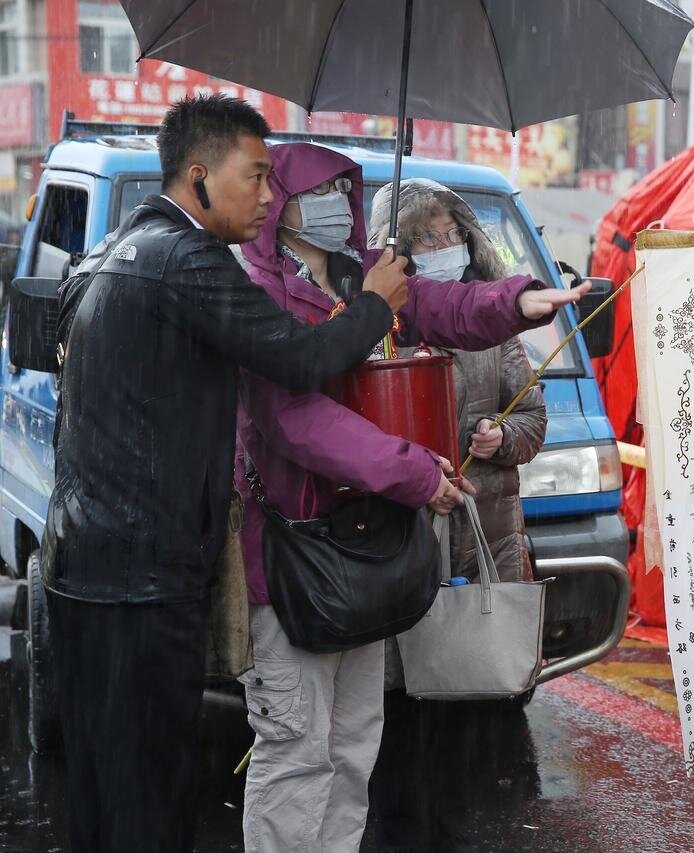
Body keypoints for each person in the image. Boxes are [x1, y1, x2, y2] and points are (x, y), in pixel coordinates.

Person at [43, 95, 409, 853]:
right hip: (144, 577)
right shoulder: (188, 261)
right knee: (153, 791)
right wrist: (374, 306)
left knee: (102, 790)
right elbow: (298, 359)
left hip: (80, 564)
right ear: (200, 176)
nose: (270, 197)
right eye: (258, 176)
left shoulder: (109, 252)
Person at [233, 144, 579, 852]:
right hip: (297, 554)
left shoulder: (370, 281)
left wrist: (517, 299)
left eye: (343, 189)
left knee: (355, 743)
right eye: (316, 191)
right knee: (298, 747)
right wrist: (418, 471)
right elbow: (298, 421)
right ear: (281, 206)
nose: (335, 203)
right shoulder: (262, 296)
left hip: (370, 547)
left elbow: (446, 305)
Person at [364, 179, 549, 852]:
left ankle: (449, 830)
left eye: (449, 235)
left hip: (477, 544)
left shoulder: (491, 326)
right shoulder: (374, 324)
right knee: (393, 707)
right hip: (399, 548)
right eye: (422, 238)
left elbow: (533, 415)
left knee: (459, 699)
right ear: (396, 248)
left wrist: (501, 437)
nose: (442, 248)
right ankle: (396, 833)